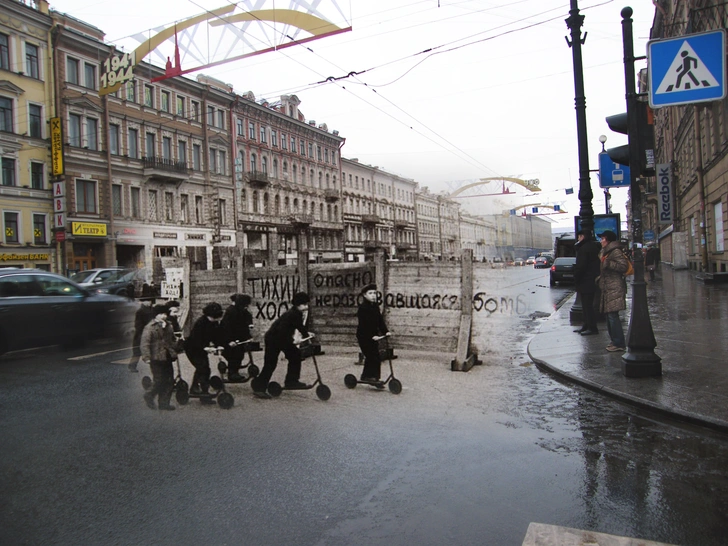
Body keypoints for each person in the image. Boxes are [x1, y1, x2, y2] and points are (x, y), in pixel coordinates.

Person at [252, 292, 312, 399]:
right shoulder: (292, 314)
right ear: (298, 304)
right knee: (270, 363)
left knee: (296, 355)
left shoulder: (296, 313)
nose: (306, 307)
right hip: (273, 339)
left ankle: (291, 381)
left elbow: (297, 327)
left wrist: (306, 334)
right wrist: (298, 338)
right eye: (304, 304)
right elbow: (285, 330)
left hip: (282, 338)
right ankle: (259, 388)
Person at [184, 302, 225, 403]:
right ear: (209, 315)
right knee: (203, 368)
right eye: (215, 318)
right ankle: (203, 393)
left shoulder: (214, 322)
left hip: (201, 349)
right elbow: (195, 339)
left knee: (203, 368)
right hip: (192, 349)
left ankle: (196, 389)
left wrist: (218, 345)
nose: (217, 320)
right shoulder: (200, 323)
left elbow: (216, 336)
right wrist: (205, 348)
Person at [140, 304, 179, 410]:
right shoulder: (150, 327)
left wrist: (176, 348)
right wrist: (147, 357)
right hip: (155, 357)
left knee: (169, 380)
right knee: (159, 380)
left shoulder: (169, 325)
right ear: (155, 316)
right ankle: (149, 394)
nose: (163, 316)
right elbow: (145, 343)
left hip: (167, 356)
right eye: (160, 314)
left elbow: (172, 340)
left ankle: (164, 403)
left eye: (165, 314)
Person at [596, 230, 630, 352]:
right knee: (609, 315)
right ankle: (614, 341)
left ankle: (619, 343)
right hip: (607, 287)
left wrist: (607, 263)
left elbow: (623, 266)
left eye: (603, 239)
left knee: (612, 315)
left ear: (608, 240)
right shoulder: (605, 252)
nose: (601, 241)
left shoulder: (615, 251)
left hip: (614, 287)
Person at [356, 283, 390, 382]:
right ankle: (370, 377)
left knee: (374, 356)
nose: (373, 295)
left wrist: (386, 331)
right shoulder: (363, 308)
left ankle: (369, 377)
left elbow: (380, 321)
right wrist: (372, 336)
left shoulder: (375, 306)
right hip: (364, 336)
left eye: (374, 293)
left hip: (373, 336)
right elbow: (364, 325)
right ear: (364, 295)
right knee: (372, 356)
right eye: (370, 293)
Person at [572, 229, 601, 336]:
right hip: (589, 280)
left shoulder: (584, 249)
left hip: (586, 281)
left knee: (587, 306)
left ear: (583, 237)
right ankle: (586, 325)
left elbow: (581, 266)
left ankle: (592, 328)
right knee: (586, 306)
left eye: (579, 236)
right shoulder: (591, 247)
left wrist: (576, 278)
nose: (578, 239)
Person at [221, 293, 254, 382]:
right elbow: (226, 328)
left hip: (236, 338)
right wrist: (229, 341)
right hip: (228, 340)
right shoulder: (231, 312)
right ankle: (232, 373)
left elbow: (243, 326)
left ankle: (234, 371)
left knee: (239, 354)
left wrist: (248, 337)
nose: (246, 307)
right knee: (234, 355)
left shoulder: (240, 310)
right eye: (245, 305)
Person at [128, 298, 155, 372]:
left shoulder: (151, 310)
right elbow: (138, 325)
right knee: (137, 352)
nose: (149, 302)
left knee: (149, 351)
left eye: (149, 301)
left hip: (147, 333)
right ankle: (132, 366)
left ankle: (132, 366)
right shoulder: (141, 311)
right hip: (142, 334)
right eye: (147, 301)